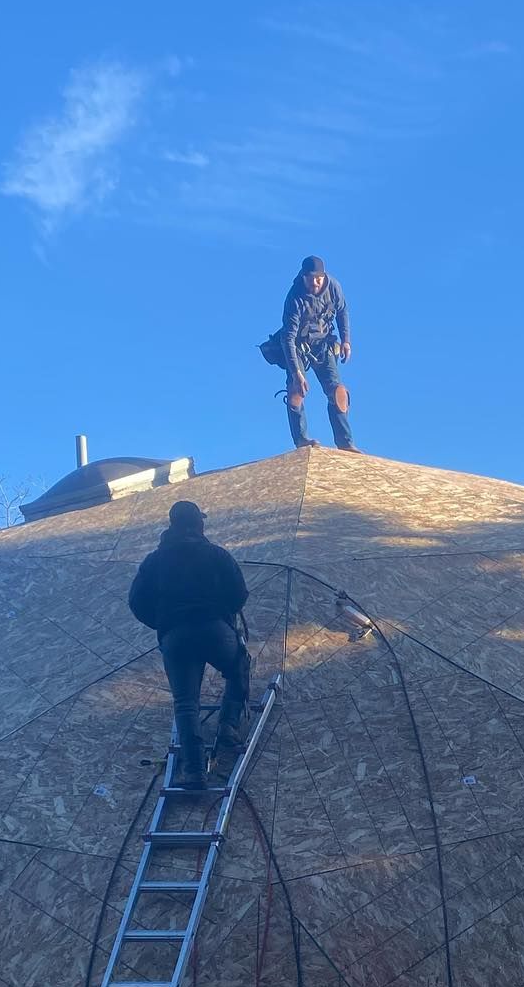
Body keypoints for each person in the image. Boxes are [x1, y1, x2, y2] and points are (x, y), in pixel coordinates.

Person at [128, 500, 251, 791]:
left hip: (176, 635)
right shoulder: (216, 555)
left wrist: (162, 623)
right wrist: (224, 614)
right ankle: (229, 724)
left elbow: (136, 602)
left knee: (185, 703)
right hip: (213, 627)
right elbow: (239, 593)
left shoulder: (154, 561)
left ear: (172, 525)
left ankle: (194, 770)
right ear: (199, 524)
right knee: (238, 666)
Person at [272, 255, 360, 453]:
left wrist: (346, 340)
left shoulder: (333, 287)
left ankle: (345, 442)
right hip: (298, 346)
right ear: (303, 277)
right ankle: (301, 439)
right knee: (296, 392)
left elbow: (342, 311)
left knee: (338, 392)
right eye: (311, 278)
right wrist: (296, 373)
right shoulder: (295, 297)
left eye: (318, 278)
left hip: (323, 344)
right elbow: (288, 338)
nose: (315, 282)